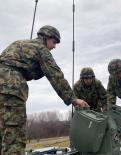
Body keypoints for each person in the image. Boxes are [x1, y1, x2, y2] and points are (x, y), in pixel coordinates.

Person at [0, 25, 88, 154]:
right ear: (45, 38)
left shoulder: (19, 43)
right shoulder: (41, 49)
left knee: (2, 133)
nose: (54, 46)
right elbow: (56, 76)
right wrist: (73, 99)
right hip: (10, 86)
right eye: (54, 42)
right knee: (14, 136)